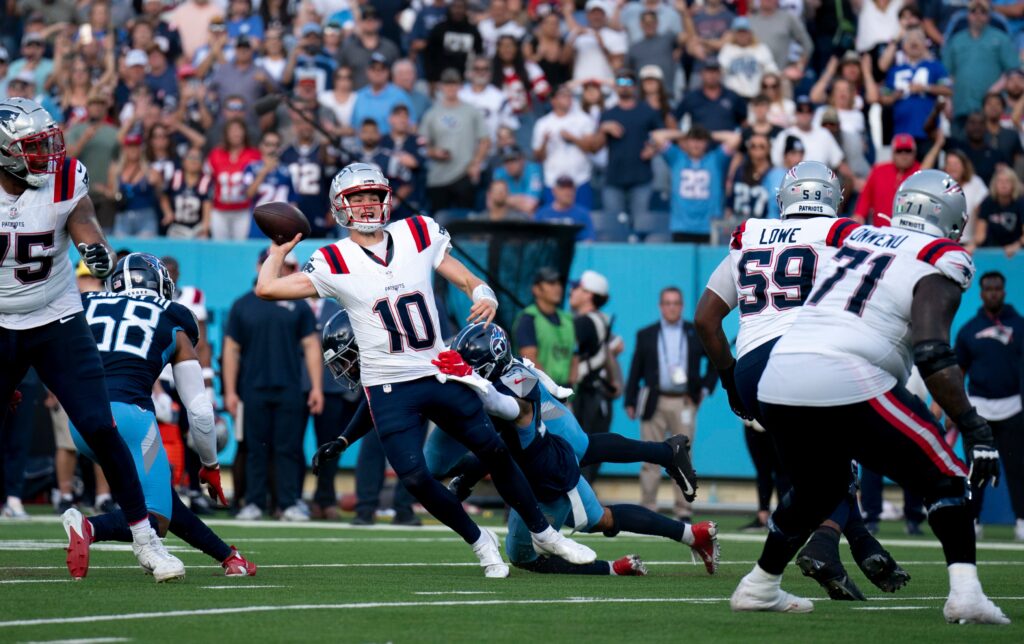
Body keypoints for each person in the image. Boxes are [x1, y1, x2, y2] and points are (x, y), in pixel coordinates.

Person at [252, 162, 597, 577]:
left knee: (494, 450)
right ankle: (479, 540)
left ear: (387, 200)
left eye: (373, 197)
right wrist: (278, 250)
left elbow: (466, 279)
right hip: (388, 385)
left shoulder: (416, 233)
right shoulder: (333, 259)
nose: (366, 206)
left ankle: (545, 533)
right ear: (341, 207)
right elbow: (267, 288)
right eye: (356, 199)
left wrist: (483, 292)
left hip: (438, 369)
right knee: (415, 477)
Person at [732, 170, 1008, 624]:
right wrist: (974, 425)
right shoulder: (941, 256)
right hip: (842, 371)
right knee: (946, 474)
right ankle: (966, 594)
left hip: (780, 373)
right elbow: (932, 350)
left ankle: (759, 585)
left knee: (818, 490)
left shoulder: (860, 237)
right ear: (954, 220)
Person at [694, 161, 910, 602]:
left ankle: (857, 544)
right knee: (840, 461)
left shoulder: (749, 234)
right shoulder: (841, 234)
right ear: (834, 198)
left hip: (753, 366)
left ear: (785, 197)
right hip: (807, 357)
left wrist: (731, 380)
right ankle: (826, 545)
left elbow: (705, 320)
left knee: (817, 471)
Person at [0, 97, 172, 579]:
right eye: (34, 148)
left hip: (56, 318)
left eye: (48, 144)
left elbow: (85, 222)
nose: (48, 156)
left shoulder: (64, 177)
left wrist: (96, 249)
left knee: (99, 424)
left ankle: (144, 537)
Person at [438, 323, 718, 575]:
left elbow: (499, 413)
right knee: (587, 472)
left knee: (583, 459)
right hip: (541, 456)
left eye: (469, 367)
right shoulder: (501, 372)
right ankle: (681, 507)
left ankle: (668, 460)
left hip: (550, 475)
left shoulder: (509, 392)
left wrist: (466, 479)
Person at [63, 254, 256, 581]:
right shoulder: (173, 317)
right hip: (130, 418)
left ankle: (228, 556)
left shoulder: (87, 302)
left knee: (158, 496)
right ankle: (89, 526)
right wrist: (210, 464)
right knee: (155, 517)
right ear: (162, 284)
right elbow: (199, 409)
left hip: (80, 419)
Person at [224, 249, 323, 521]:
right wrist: (231, 391)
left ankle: (288, 502)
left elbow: (311, 345)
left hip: (290, 387)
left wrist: (315, 387)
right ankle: (254, 502)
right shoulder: (243, 304)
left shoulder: (298, 304)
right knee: (256, 448)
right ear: (259, 266)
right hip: (252, 389)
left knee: (288, 448)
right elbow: (231, 349)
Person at [625, 286, 717, 520]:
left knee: (683, 457)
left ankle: (683, 509)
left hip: (684, 401)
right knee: (649, 454)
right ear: (660, 306)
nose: (671, 307)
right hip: (654, 400)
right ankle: (648, 507)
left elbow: (716, 358)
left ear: (682, 306)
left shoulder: (693, 332)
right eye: (667, 303)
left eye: (676, 303)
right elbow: (636, 368)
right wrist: (630, 399)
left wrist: (705, 389)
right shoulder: (646, 334)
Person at [955, 271, 1024, 540]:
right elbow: (958, 371)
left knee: (1018, 470)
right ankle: (972, 521)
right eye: (988, 289)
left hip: (1014, 408)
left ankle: (1021, 521)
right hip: (978, 411)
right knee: (977, 469)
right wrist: (956, 407)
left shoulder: (1019, 326)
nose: (993, 293)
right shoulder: (969, 330)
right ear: (981, 293)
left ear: (1004, 292)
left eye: (997, 288)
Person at [569, 270, 623, 483]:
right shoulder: (600, 319)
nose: (572, 292)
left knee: (579, 455)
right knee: (590, 456)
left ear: (589, 294)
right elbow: (614, 349)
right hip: (598, 397)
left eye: (578, 288)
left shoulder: (584, 322)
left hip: (587, 397)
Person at [591, 68, 662, 227]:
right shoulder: (608, 114)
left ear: (635, 86)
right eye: (620, 82)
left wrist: (653, 148)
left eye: (628, 82)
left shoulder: (648, 111)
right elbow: (595, 147)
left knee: (641, 226)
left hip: (641, 179)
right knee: (614, 227)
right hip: (614, 179)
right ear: (615, 86)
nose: (624, 86)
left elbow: (661, 136)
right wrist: (603, 129)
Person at [420, 69, 490, 213]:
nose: (451, 88)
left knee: (464, 221)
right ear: (441, 87)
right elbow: (421, 144)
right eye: (447, 84)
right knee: (438, 223)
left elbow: (485, 140)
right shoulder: (432, 113)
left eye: (454, 84)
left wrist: (475, 164)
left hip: (464, 173)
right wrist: (434, 152)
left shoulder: (471, 111)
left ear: (460, 86)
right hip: (438, 176)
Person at [943, 1, 1017, 133]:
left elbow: (1012, 70)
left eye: (983, 12)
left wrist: (995, 90)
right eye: (973, 12)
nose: (978, 15)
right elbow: (947, 74)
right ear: (968, 15)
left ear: (989, 16)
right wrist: (948, 100)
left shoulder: (1000, 38)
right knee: (960, 148)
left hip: (991, 110)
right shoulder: (956, 40)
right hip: (961, 107)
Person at [653, 125, 734, 244]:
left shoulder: (716, 159)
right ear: (686, 142)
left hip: (708, 226)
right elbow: (657, 136)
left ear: (706, 143)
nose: (696, 144)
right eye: (693, 140)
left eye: (700, 140)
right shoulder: (677, 158)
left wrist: (707, 134)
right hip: (681, 226)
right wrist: (685, 134)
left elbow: (734, 138)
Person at [532, 85, 597, 209]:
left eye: (569, 95)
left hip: (580, 180)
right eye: (563, 95)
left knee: (581, 219)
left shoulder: (583, 119)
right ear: (553, 100)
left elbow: (591, 148)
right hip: (553, 182)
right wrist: (545, 142)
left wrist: (573, 138)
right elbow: (537, 157)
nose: (568, 99)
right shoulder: (543, 123)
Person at [514, 267, 578, 389]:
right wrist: (553, 389)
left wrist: (569, 388)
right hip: (539, 393)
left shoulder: (568, 320)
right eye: (551, 283)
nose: (558, 287)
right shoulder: (528, 319)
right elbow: (530, 360)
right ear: (536, 289)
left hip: (566, 393)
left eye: (559, 283)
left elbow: (575, 357)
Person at [854, 134, 921, 227]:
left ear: (914, 153)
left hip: (909, 233)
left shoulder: (921, 173)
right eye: (899, 151)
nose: (903, 155)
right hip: (880, 232)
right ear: (892, 153)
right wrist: (859, 215)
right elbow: (866, 197)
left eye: (908, 151)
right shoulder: (878, 171)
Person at [974, 166, 1024, 254]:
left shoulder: (1021, 202)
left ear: (1014, 184)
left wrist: (1016, 245)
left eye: (1007, 181)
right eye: (1000, 181)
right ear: (994, 184)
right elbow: (980, 234)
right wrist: (972, 245)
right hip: (992, 249)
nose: (1003, 184)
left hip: (1017, 251)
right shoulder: (987, 202)